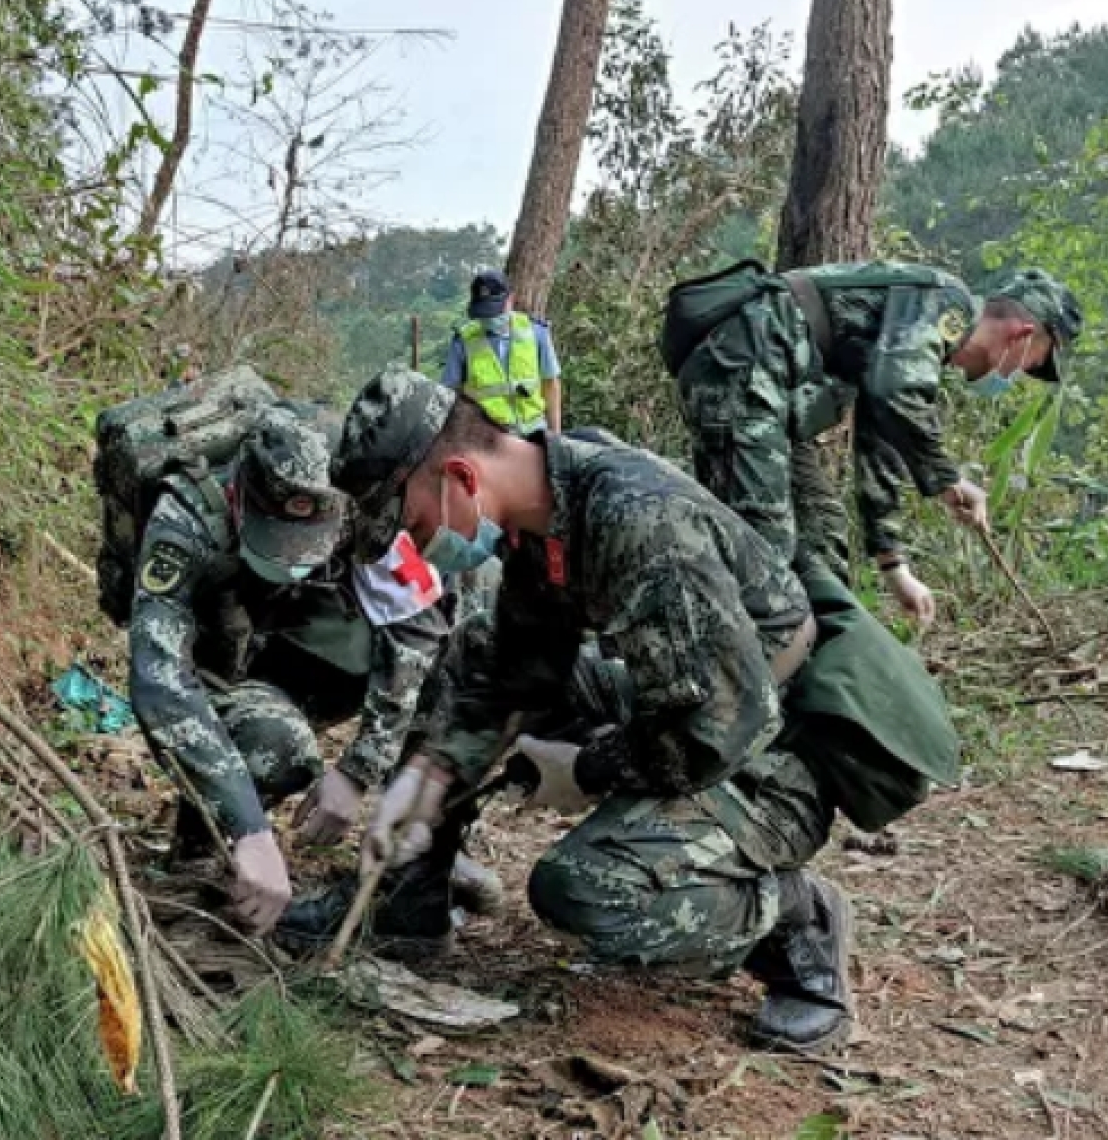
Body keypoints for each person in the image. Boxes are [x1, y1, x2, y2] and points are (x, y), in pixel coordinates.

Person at [279, 368, 876, 1054]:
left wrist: (586, 768)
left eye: (412, 522)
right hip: (692, 698)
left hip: (774, 745)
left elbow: (720, 728)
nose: (415, 545)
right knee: (467, 652)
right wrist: (432, 775)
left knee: (585, 891)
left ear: (461, 478)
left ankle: (799, 919)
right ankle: (409, 898)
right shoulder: (545, 510)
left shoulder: (637, 520)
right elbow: (515, 672)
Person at [127, 404, 468, 934]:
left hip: (301, 640)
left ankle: (412, 874)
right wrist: (251, 828)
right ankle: (203, 843)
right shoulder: (185, 517)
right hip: (218, 658)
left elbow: (415, 632)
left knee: (457, 652)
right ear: (240, 497)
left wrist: (358, 772)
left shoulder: (361, 498)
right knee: (274, 746)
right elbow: (159, 678)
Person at [666, 263, 1081, 625]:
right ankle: (723, 684)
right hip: (742, 371)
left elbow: (880, 437)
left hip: (769, 391)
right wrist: (948, 479)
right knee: (764, 552)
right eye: (1035, 362)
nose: (1021, 373)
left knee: (822, 533)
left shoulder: (918, 344)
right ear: (1023, 335)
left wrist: (893, 565)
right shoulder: (946, 303)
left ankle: (823, 675)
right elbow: (893, 392)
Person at [442, 269, 564, 436]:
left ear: (510, 299)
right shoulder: (463, 341)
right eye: (484, 312)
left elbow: (551, 385)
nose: (490, 318)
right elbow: (450, 393)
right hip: (487, 439)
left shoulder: (536, 332)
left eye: (494, 310)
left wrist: (556, 435)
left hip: (535, 433)